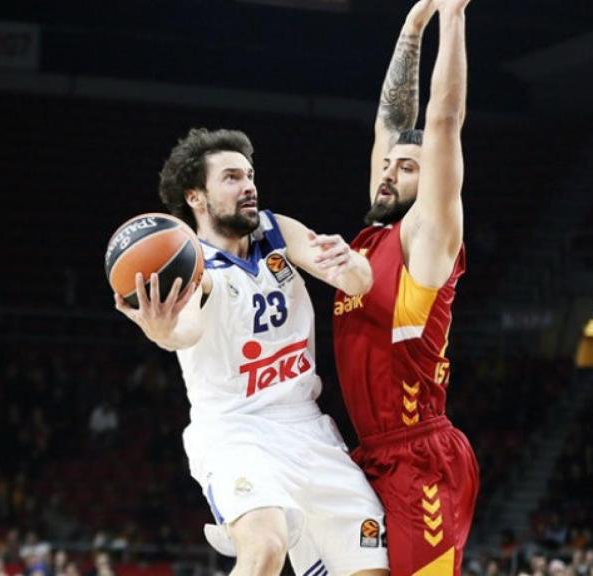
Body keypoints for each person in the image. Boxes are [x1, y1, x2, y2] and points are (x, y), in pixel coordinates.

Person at [113, 128, 389, 576]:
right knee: (264, 547)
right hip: (235, 431)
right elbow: (185, 330)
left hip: (306, 426)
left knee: (371, 569)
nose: (249, 186)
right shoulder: (192, 265)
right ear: (196, 197)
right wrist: (163, 331)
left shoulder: (277, 230)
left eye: (250, 175)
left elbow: (355, 282)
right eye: (231, 177)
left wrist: (351, 260)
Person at [330, 0, 478, 573]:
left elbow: (441, 123)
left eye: (408, 168)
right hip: (369, 452)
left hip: (422, 459)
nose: (389, 172)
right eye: (387, 165)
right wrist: (412, 24)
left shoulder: (427, 237)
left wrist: (452, 16)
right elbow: (389, 123)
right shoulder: (372, 235)